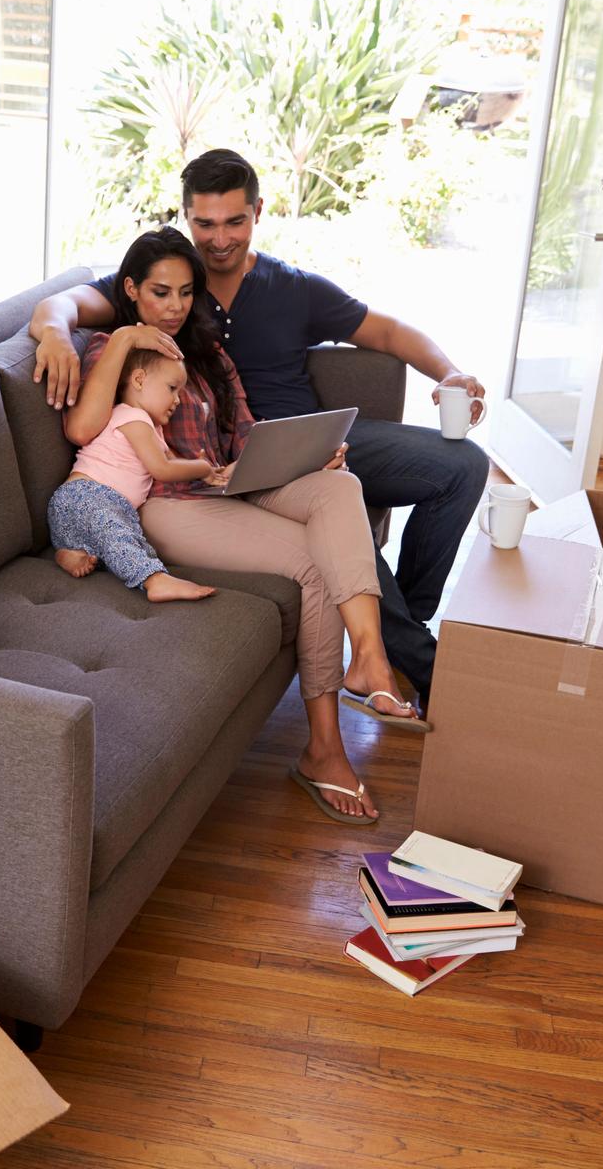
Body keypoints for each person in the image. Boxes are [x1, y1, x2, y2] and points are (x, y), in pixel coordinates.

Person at [30, 148, 488, 717]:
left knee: (465, 465)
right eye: (204, 224)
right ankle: (419, 662)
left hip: (306, 442)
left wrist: (449, 373)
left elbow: (389, 331)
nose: (220, 239)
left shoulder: (291, 288)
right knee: (334, 527)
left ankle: (405, 628)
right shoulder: (167, 283)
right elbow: (63, 303)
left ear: (257, 213)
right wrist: (51, 331)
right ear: (185, 218)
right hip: (236, 464)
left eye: (234, 222)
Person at [60, 226, 411, 824]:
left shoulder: (207, 353)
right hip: (173, 505)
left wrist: (305, 455)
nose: (174, 307)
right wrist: (124, 337)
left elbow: (242, 434)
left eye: (186, 293)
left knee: (338, 486)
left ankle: (370, 657)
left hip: (233, 481)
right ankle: (325, 750)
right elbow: (82, 429)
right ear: (131, 290)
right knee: (311, 562)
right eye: (160, 293)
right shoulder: (112, 351)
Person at [47, 345, 223, 603]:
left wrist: (204, 471)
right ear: (139, 379)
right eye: (172, 388)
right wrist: (203, 467)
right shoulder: (133, 417)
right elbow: (162, 469)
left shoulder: (149, 428)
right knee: (119, 535)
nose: (177, 400)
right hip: (87, 497)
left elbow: (173, 463)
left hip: (81, 510)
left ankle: (68, 552)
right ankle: (154, 581)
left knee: (132, 543)